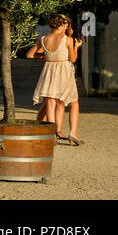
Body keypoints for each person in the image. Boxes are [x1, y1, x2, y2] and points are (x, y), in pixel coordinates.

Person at [27, 14, 77, 144]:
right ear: (61, 24)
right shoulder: (68, 40)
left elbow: (29, 55)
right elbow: (72, 59)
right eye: (66, 23)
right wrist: (76, 47)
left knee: (50, 102)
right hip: (64, 70)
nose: (67, 25)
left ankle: (52, 133)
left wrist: (42, 57)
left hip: (49, 70)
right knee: (61, 102)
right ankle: (59, 131)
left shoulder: (43, 39)